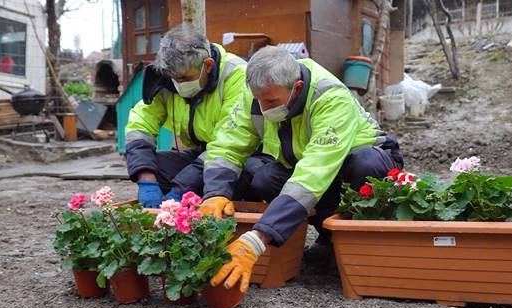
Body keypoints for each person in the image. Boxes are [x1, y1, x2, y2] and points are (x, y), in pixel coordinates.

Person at [199, 46, 404, 292]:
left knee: (365, 164)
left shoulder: (329, 96)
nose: (263, 109)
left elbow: (315, 172)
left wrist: (256, 239)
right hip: (306, 165)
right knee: (263, 177)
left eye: (271, 101)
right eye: (258, 100)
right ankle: (326, 236)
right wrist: (215, 193)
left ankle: (362, 248)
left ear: (296, 88)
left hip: (361, 164)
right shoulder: (255, 92)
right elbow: (228, 144)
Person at [125, 24, 246, 207]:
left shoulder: (237, 75)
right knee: (151, 165)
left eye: (185, 79)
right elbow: (140, 124)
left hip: (237, 156)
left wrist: (181, 189)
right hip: (199, 153)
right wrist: (146, 178)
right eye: (175, 78)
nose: (178, 85)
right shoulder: (168, 76)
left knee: (250, 175)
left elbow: (227, 144)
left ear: (208, 65)